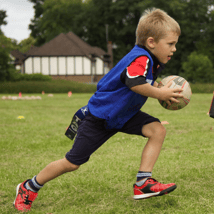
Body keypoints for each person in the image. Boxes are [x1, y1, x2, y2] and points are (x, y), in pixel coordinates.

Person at [14, 8, 183, 212]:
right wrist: (161, 94)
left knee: (157, 130)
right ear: (151, 42)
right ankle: (29, 186)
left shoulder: (149, 60)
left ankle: (142, 183)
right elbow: (134, 83)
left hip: (123, 115)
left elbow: (138, 80)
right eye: (171, 44)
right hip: (100, 117)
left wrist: (156, 86)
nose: (174, 49)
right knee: (72, 162)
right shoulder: (142, 58)